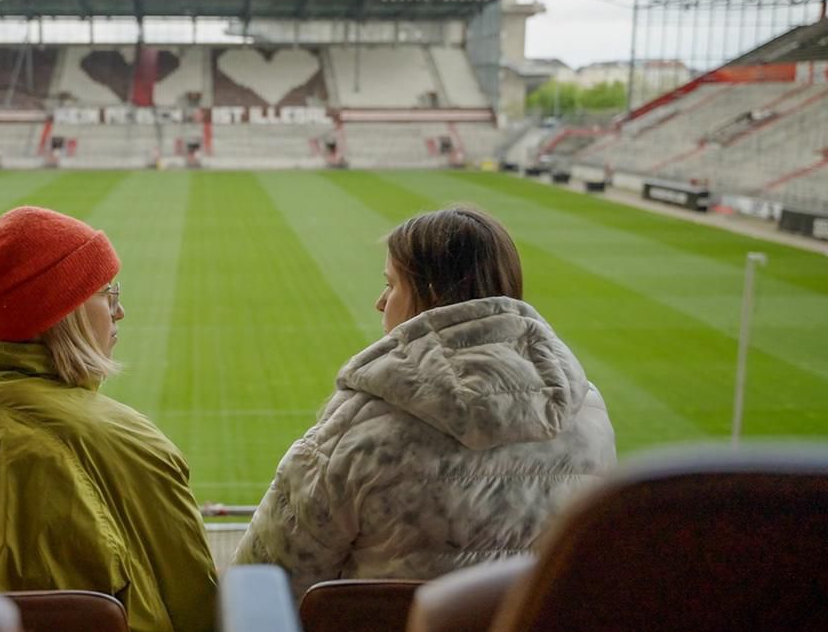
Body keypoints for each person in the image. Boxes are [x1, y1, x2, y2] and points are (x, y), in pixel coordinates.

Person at [0, 206, 216, 632]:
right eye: (107, 294)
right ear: (68, 312)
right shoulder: (131, 442)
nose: (120, 312)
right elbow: (194, 619)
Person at [234, 207, 616, 598]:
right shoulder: (590, 413)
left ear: (430, 292)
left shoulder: (357, 432)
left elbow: (263, 581)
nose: (381, 303)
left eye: (392, 284)